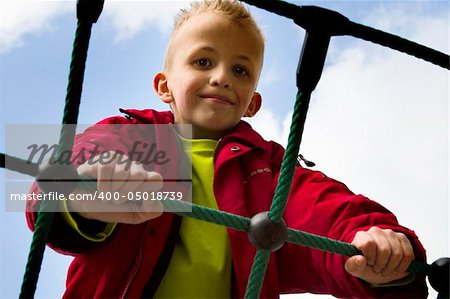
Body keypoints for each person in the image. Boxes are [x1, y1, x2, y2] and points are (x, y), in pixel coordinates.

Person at [27, 0, 428, 298]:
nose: (221, 78)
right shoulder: (132, 138)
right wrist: (89, 189)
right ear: (164, 85)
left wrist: (377, 243)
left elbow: (325, 209)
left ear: (253, 102)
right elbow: (65, 172)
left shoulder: (269, 169)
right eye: (203, 61)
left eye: (240, 70)